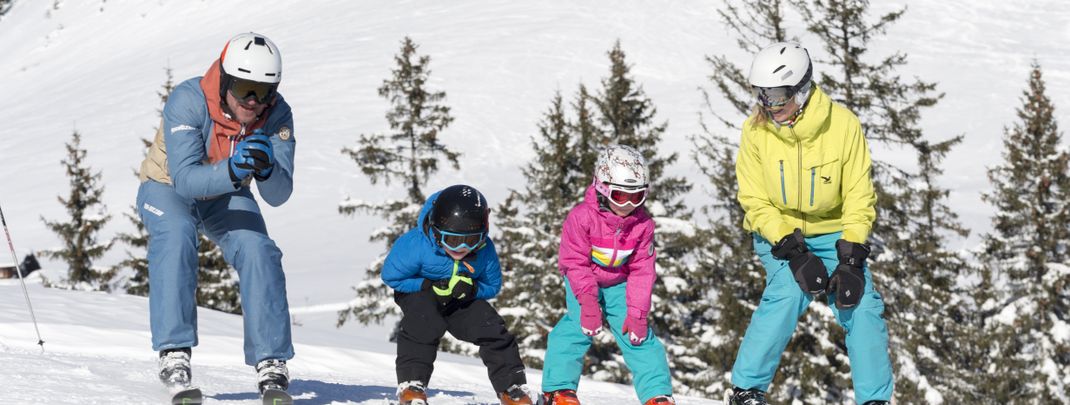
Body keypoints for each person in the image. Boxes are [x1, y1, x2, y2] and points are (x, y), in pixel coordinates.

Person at [726, 42, 894, 405]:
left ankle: (875, 400)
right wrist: (794, 251)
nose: (770, 105)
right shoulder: (755, 132)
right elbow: (755, 200)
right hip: (780, 233)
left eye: (777, 95)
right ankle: (747, 390)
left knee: (860, 302)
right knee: (788, 292)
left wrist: (850, 259)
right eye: (762, 95)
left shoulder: (843, 126)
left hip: (835, 232)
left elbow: (858, 196)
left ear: (802, 89)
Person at [136, 32, 296, 398]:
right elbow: (187, 179)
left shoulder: (278, 114)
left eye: (264, 91)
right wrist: (236, 167)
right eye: (243, 88)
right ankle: (174, 351)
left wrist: (269, 169)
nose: (253, 102)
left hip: (226, 190)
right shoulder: (189, 100)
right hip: (168, 187)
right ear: (224, 80)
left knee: (259, 249)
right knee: (177, 234)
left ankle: (271, 361)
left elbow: (279, 195)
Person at [541, 145, 675, 405]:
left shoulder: (642, 224)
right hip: (583, 279)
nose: (628, 205)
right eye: (620, 195)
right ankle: (558, 390)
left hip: (619, 283)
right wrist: (589, 303)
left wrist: (637, 313)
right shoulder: (581, 218)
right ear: (602, 188)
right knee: (578, 326)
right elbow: (574, 263)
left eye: (637, 197)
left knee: (637, 334)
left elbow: (642, 270)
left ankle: (657, 394)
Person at [382, 185, 536, 405]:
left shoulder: (485, 251)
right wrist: (426, 284)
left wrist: (473, 289)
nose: (462, 248)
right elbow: (392, 277)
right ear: (435, 231)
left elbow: (492, 285)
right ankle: (412, 385)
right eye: (452, 240)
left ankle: (511, 388)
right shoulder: (415, 245)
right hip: (418, 292)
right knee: (425, 320)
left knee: (491, 326)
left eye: (471, 240)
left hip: (460, 297)